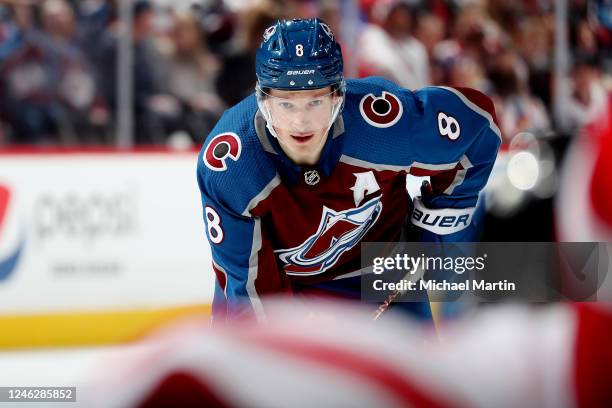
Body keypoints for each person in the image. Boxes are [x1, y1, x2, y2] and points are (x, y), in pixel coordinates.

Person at [196, 18, 501, 322]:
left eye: (315, 101)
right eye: (286, 104)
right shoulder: (231, 165)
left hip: (382, 275)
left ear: (337, 98)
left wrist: (434, 225)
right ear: (263, 101)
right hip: (279, 287)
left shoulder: (382, 124)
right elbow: (250, 296)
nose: (301, 122)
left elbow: (478, 130)